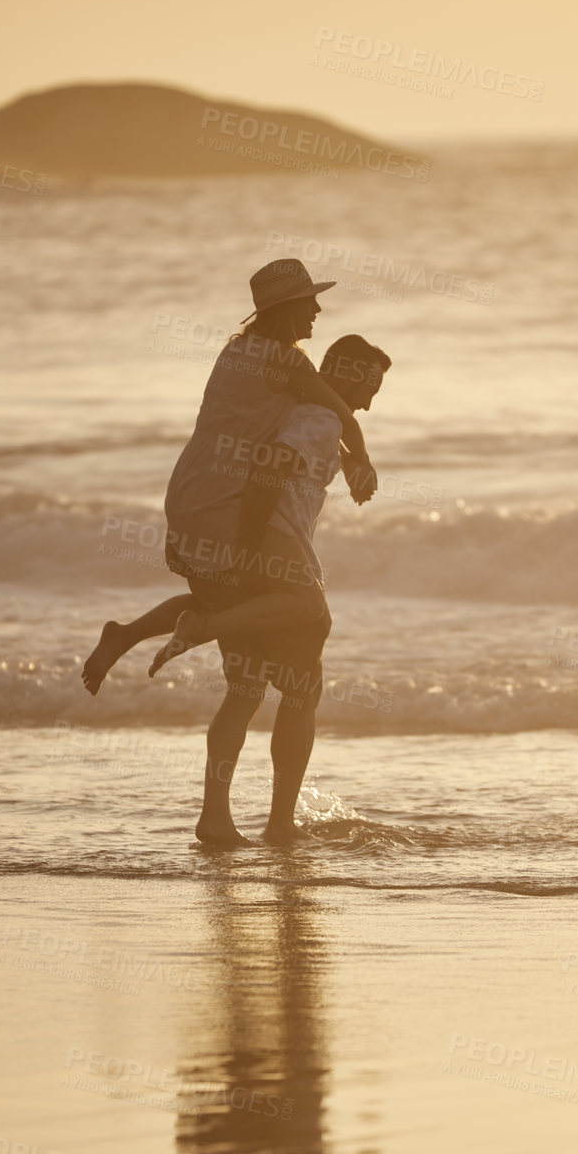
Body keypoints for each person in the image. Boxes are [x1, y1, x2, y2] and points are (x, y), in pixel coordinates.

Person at [80, 258, 390, 846]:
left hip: (193, 495)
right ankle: (275, 823)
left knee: (245, 681)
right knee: (306, 617)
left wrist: (349, 457)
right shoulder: (292, 371)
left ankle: (217, 817)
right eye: (309, 301)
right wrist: (361, 458)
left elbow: (320, 417)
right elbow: (331, 418)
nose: (317, 309)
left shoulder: (238, 352)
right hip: (229, 508)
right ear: (283, 310)